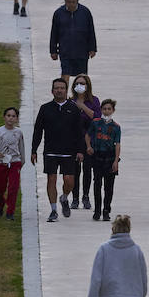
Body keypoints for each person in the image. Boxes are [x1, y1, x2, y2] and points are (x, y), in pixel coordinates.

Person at [31, 75, 85, 222]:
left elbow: (79, 132)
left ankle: (64, 197)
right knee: (51, 179)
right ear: (52, 91)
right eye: (56, 88)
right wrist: (33, 150)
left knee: (69, 181)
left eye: (62, 88)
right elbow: (38, 131)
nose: (59, 91)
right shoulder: (45, 109)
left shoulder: (73, 109)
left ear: (66, 90)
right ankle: (54, 210)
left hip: (69, 151)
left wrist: (81, 150)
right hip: (50, 151)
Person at [69, 73, 102, 208]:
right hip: (75, 140)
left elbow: (97, 118)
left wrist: (82, 106)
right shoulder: (70, 101)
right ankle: (75, 197)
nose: (80, 86)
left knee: (88, 170)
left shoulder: (94, 101)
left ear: (87, 86)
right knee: (75, 170)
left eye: (82, 83)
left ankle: (86, 196)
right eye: (77, 84)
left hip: (90, 140)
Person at [85, 98, 121, 221]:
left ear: (113, 110)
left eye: (109, 109)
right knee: (97, 184)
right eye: (104, 109)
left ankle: (106, 210)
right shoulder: (95, 122)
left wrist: (116, 161)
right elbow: (87, 135)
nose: (106, 111)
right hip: (97, 157)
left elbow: (117, 144)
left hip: (110, 157)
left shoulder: (116, 127)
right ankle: (97, 210)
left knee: (109, 186)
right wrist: (89, 146)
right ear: (101, 110)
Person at [0, 105, 25, 221]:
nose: (11, 118)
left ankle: (10, 212)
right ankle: (0, 205)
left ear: (17, 119)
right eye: (8, 116)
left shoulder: (18, 132)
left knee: (13, 188)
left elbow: (22, 148)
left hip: (15, 162)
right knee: (0, 188)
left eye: (13, 116)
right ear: (4, 117)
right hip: (1, 163)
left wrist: (21, 162)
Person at [48, 0, 97, 76]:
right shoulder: (58, 13)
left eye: (73, 2)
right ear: (65, 1)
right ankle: (64, 90)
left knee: (81, 78)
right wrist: (53, 50)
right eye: (68, 2)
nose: (71, 4)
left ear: (77, 1)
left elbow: (91, 31)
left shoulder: (85, 12)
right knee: (65, 74)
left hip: (81, 52)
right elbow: (54, 33)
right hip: (65, 51)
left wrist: (92, 48)